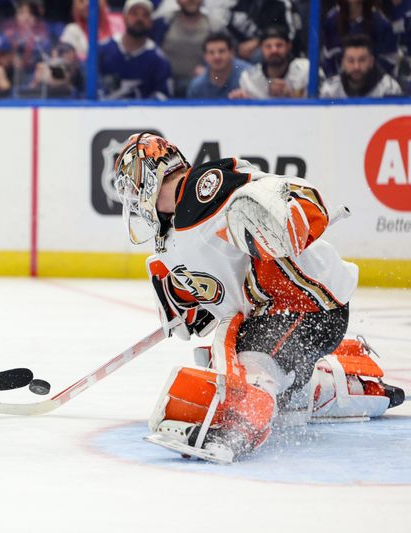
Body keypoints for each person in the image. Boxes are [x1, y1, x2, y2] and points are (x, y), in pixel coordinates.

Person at [113, 132, 405, 463]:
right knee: (229, 365)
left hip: (308, 304)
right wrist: (188, 307)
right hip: (269, 313)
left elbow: (291, 195)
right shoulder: (171, 235)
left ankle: (237, 431)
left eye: (131, 185)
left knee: (254, 367)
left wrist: (284, 218)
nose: (133, 200)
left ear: (149, 174)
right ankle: (343, 386)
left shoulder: (205, 186)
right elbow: (206, 304)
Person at [98, 0, 173, 100]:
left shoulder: (159, 60)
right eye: (134, 14)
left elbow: (164, 95)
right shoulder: (103, 51)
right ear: (124, 18)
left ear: (151, 22)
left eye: (145, 15)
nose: (139, 18)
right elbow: (90, 87)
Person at [156, 0, 222, 97]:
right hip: (165, 84)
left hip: (199, 85)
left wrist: (209, 70)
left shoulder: (213, 26)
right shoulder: (164, 22)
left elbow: (226, 56)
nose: (191, 1)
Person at [322, 0, 398, 77]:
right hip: (340, 83)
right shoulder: (331, 20)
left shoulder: (381, 23)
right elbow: (329, 59)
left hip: (374, 84)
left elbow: (389, 60)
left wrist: (366, 81)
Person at [230, 26, 310, 99]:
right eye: (268, 46)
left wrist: (291, 96)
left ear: (288, 46)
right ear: (261, 48)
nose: (274, 50)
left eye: (279, 45)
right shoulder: (249, 78)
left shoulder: (306, 69)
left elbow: (319, 103)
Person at [320, 33, 404, 98]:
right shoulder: (331, 90)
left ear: (371, 61)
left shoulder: (388, 88)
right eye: (350, 61)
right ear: (343, 63)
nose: (356, 66)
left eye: (362, 60)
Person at [186, 31, 250, 98]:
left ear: (232, 53)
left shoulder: (250, 76)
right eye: (211, 53)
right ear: (205, 57)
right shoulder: (197, 87)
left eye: (221, 51)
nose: (217, 57)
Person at [59, 0, 124, 60]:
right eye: (81, 1)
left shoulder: (119, 21)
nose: (87, 3)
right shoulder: (72, 30)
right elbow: (68, 60)